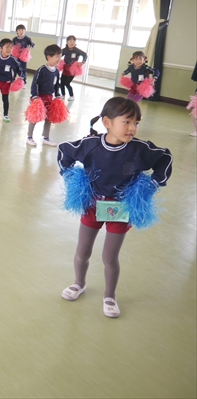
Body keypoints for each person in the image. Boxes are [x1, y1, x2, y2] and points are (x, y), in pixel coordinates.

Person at [58, 97, 172, 318]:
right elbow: (65, 152)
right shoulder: (90, 145)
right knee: (82, 251)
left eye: (136, 123)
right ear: (107, 123)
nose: (132, 128)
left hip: (120, 207)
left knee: (110, 257)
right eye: (127, 122)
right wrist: (72, 179)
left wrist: (153, 184)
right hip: (92, 204)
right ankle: (79, 283)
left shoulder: (139, 149)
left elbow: (164, 157)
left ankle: (109, 296)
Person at [26, 44, 62, 147]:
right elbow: (35, 84)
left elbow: (57, 84)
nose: (59, 59)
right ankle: (29, 137)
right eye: (57, 57)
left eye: (60, 57)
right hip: (39, 98)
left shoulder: (56, 71)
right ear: (49, 57)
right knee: (34, 118)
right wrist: (35, 97)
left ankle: (46, 138)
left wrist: (57, 94)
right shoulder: (41, 70)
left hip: (49, 97)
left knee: (49, 118)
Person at [59, 35, 87, 101]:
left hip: (72, 69)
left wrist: (82, 62)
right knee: (62, 83)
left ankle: (71, 96)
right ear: (67, 42)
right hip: (65, 68)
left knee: (67, 83)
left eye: (74, 41)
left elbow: (85, 55)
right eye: (70, 41)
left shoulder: (77, 50)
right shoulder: (64, 50)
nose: (72, 42)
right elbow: (59, 55)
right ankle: (63, 95)